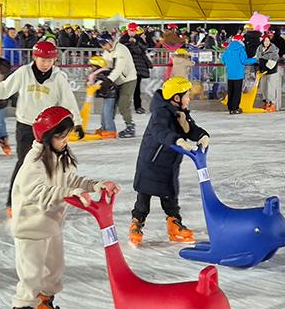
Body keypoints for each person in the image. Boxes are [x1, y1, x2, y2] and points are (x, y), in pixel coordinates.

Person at [9, 106, 119, 309]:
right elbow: (38, 192)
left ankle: (44, 307)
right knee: (31, 275)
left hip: (52, 225)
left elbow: (72, 182)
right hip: (30, 229)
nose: (66, 141)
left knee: (54, 270)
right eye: (61, 136)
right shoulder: (34, 163)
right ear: (47, 137)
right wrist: (70, 193)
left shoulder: (60, 157)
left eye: (67, 136)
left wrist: (95, 185)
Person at [0, 40, 81, 214]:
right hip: (26, 126)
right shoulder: (23, 73)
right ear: (35, 57)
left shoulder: (58, 77)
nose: (46, 64)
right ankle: (13, 202)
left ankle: (48, 200)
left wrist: (76, 122)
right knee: (24, 164)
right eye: (43, 60)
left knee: (52, 165)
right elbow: (4, 88)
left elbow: (67, 100)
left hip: (50, 129)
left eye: (50, 60)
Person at [129, 77, 208, 246]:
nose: (189, 98)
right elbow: (159, 131)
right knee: (144, 196)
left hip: (169, 163)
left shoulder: (181, 112)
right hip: (151, 161)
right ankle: (136, 223)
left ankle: (174, 225)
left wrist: (202, 135)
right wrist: (177, 140)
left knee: (170, 195)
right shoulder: (161, 112)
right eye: (187, 95)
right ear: (176, 98)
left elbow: (191, 128)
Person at [100, 32, 138, 137]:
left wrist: (108, 81)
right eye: (101, 44)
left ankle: (130, 126)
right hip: (116, 80)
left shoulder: (121, 49)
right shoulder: (106, 51)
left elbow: (118, 69)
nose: (103, 46)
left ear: (110, 41)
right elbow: (106, 65)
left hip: (128, 80)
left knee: (123, 103)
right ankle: (106, 126)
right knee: (110, 104)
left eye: (104, 44)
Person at [86, 54, 120, 139]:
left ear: (97, 66)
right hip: (108, 95)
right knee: (104, 113)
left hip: (111, 96)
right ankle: (104, 128)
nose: (90, 68)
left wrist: (95, 84)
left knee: (107, 113)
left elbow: (101, 83)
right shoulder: (99, 73)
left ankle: (110, 130)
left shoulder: (103, 73)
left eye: (92, 66)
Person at [221, 34, 257, 114]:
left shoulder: (228, 49)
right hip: (238, 74)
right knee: (237, 92)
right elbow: (244, 61)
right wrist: (255, 59)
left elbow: (223, 59)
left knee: (231, 91)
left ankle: (230, 108)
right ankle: (235, 108)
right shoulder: (241, 50)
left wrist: (229, 64)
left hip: (230, 74)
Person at [255, 31, 282, 112]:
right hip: (262, 72)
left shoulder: (274, 51)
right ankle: (266, 102)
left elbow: (272, 63)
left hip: (271, 72)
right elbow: (257, 59)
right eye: (265, 41)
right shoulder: (259, 49)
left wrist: (265, 69)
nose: (267, 42)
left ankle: (272, 103)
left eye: (268, 41)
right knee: (264, 88)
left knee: (271, 88)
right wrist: (259, 68)